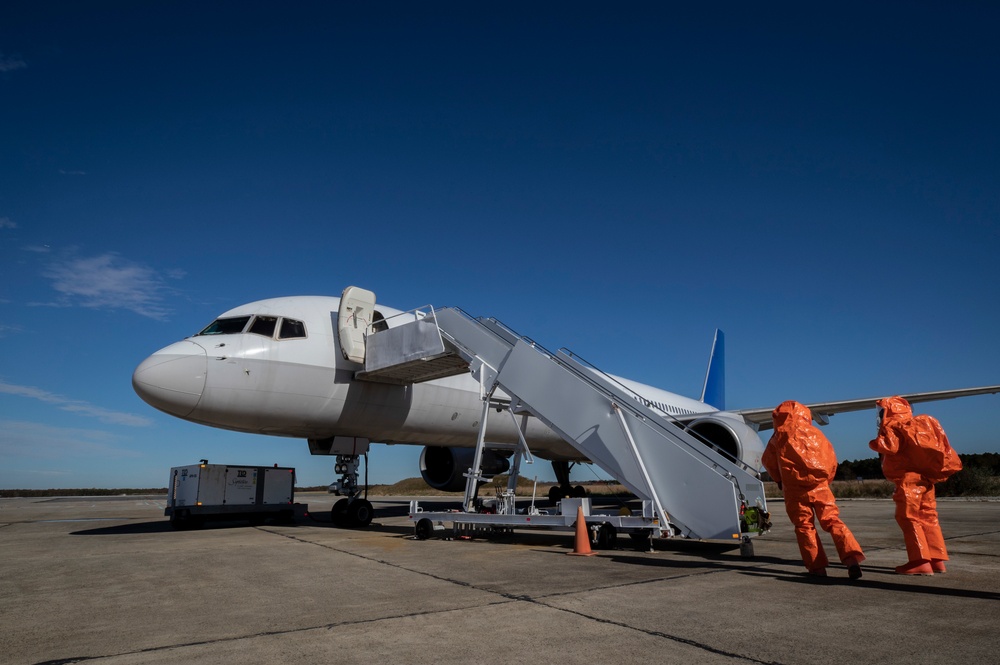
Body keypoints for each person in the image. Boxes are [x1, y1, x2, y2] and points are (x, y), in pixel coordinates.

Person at [763, 400, 865, 580]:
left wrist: (780, 480)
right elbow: (831, 460)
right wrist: (826, 481)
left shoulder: (777, 438)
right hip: (820, 486)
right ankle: (851, 559)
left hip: (794, 490)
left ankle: (817, 569)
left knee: (804, 527)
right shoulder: (817, 434)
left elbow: (768, 462)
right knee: (833, 521)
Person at [869, 396, 962, 575]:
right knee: (929, 517)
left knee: (908, 518)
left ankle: (919, 561)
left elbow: (889, 447)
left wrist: (874, 442)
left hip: (908, 480)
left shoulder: (893, 426)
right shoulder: (919, 425)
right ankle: (937, 559)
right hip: (926, 479)